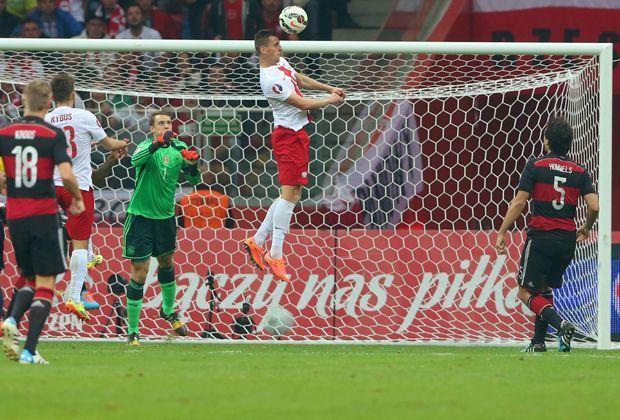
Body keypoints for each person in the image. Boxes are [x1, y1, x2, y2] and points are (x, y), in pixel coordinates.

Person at [243, 29, 344, 282]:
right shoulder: (269, 79)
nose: (281, 48)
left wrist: (327, 86)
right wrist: (330, 100)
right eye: (276, 45)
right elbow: (303, 104)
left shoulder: (281, 63)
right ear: (263, 49)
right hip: (287, 137)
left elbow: (298, 77)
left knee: (292, 193)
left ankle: (257, 241)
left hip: (297, 134)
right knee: (290, 195)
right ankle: (275, 253)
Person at [495, 117, 599, 353]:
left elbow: (520, 201)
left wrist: (502, 231)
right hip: (567, 241)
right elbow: (594, 205)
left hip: (541, 237)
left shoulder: (536, 165)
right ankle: (538, 343)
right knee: (544, 290)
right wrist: (587, 227)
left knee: (525, 292)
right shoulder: (580, 171)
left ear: (547, 141)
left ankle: (561, 325)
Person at [0, 79, 85, 365]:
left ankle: (11, 318)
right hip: (43, 214)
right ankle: (29, 351)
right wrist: (76, 197)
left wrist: (8, 186)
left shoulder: (5, 134)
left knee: (29, 277)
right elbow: (68, 174)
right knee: (47, 282)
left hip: (15, 216)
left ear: (22, 101)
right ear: (48, 103)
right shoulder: (52, 134)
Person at [46, 72, 128, 322]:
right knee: (79, 242)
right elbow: (108, 145)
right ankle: (74, 296)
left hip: (52, 186)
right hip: (78, 187)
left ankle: (90, 257)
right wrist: (122, 142)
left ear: (52, 96)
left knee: (79, 233)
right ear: (73, 94)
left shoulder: (46, 119)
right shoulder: (85, 116)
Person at [123, 110, 201, 346]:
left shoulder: (179, 148)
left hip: (166, 218)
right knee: (140, 272)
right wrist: (157, 144)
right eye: (160, 123)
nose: (165, 126)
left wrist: (193, 165)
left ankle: (168, 310)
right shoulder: (146, 146)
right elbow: (134, 162)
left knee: (167, 263)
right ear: (152, 128)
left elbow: (195, 181)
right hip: (140, 217)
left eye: (168, 122)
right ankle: (133, 331)